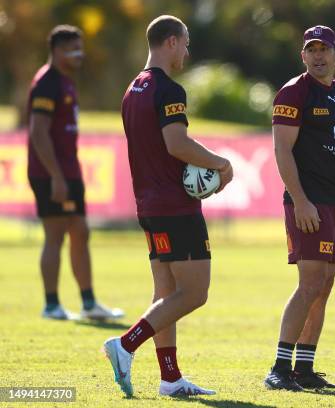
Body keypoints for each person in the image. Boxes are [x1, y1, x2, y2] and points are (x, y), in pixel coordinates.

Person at [103, 15, 233, 397]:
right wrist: (221, 165)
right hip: (175, 206)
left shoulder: (132, 90)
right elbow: (177, 144)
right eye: (187, 43)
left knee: (166, 295)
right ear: (172, 42)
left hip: (148, 204)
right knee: (194, 293)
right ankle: (126, 345)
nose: (188, 51)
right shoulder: (168, 89)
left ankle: (170, 378)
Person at [263, 25, 335, 391]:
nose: (318, 55)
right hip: (309, 202)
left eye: (325, 49)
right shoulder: (294, 92)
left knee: (326, 284)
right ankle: (279, 367)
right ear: (303, 56)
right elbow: (281, 150)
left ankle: (304, 368)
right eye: (311, 50)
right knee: (310, 283)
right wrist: (300, 200)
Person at [27, 25, 124, 321]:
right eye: (73, 48)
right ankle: (51, 304)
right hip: (51, 173)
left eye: (80, 47)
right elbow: (38, 133)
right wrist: (55, 175)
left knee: (80, 231)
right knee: (55, 235)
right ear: (57, 51)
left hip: (69, 170)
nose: (80, 54)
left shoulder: (66, 82)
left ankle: (88, 302)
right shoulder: (47, 83)